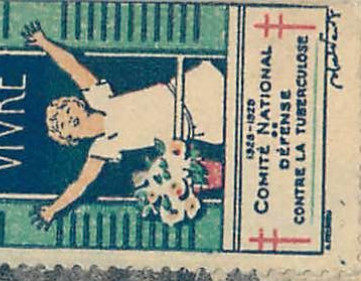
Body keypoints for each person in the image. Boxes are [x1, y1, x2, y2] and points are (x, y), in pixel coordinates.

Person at [26, 22, 226, 226]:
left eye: (66, 110)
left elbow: (73, 67)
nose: (66, 118)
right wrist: (52, 210)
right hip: (198, 124)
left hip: (192, 89)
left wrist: (44, 42)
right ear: (72, 139)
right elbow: (80, 184)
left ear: (77, 104)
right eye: (62, 125)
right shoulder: (103, 147)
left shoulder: (99, 98)